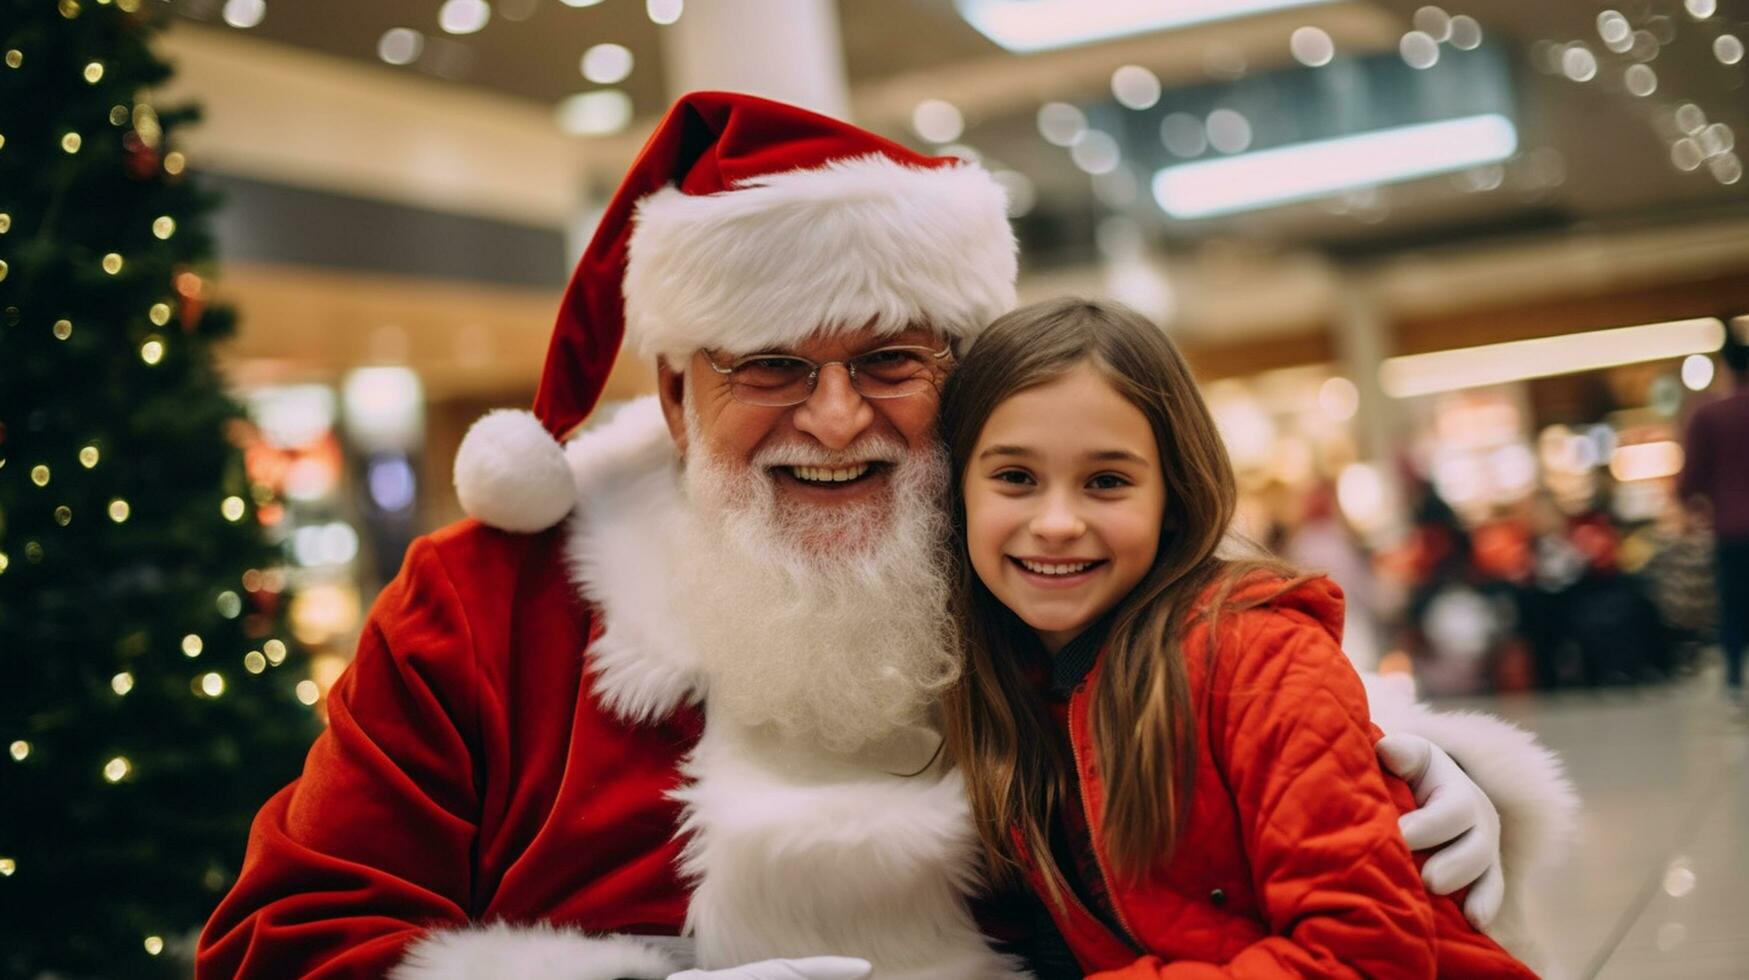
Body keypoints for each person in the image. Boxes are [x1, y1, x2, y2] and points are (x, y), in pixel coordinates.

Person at [198, 93, 1571, 980]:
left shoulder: (1041, 582)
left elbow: (1248, 770)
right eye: (772, 366)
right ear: (675, 396)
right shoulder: (489, 600)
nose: (838, 418)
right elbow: (277, 946)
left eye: (892, 361)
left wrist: (1414, 786)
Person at [942, 298, 1568, 976]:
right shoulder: (998, 685)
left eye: (1106, 482)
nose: (1057, 521)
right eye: (1015, 478)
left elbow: (1363, 951)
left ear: (1172, 498)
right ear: (957, 491)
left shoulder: (1255, 651)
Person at [1679, 324, 1749, 706]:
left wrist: (1694, 505)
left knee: (1734, 608)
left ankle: (1737, 685)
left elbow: (1690, 480)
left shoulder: (1710, 416)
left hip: (1732, 529)